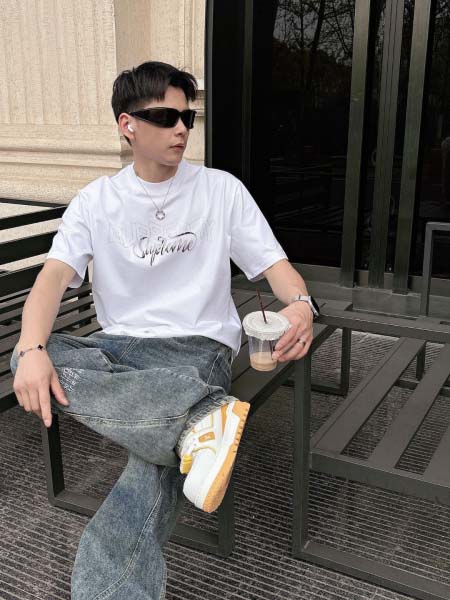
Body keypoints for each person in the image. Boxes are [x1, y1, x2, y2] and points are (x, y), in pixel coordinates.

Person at [10, 61, 316, 599]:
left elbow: (275, 266)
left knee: (148, 475)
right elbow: (52, 278)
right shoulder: (96, 201)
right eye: (165, 117)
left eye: (187, 118)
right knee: (29, 356)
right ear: (127, 125)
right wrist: (32, 347)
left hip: (197, 350)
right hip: (121, 351)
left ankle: (193, 419)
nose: (181, 129)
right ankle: (198, 419)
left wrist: (302, 306)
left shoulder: (220, 190)